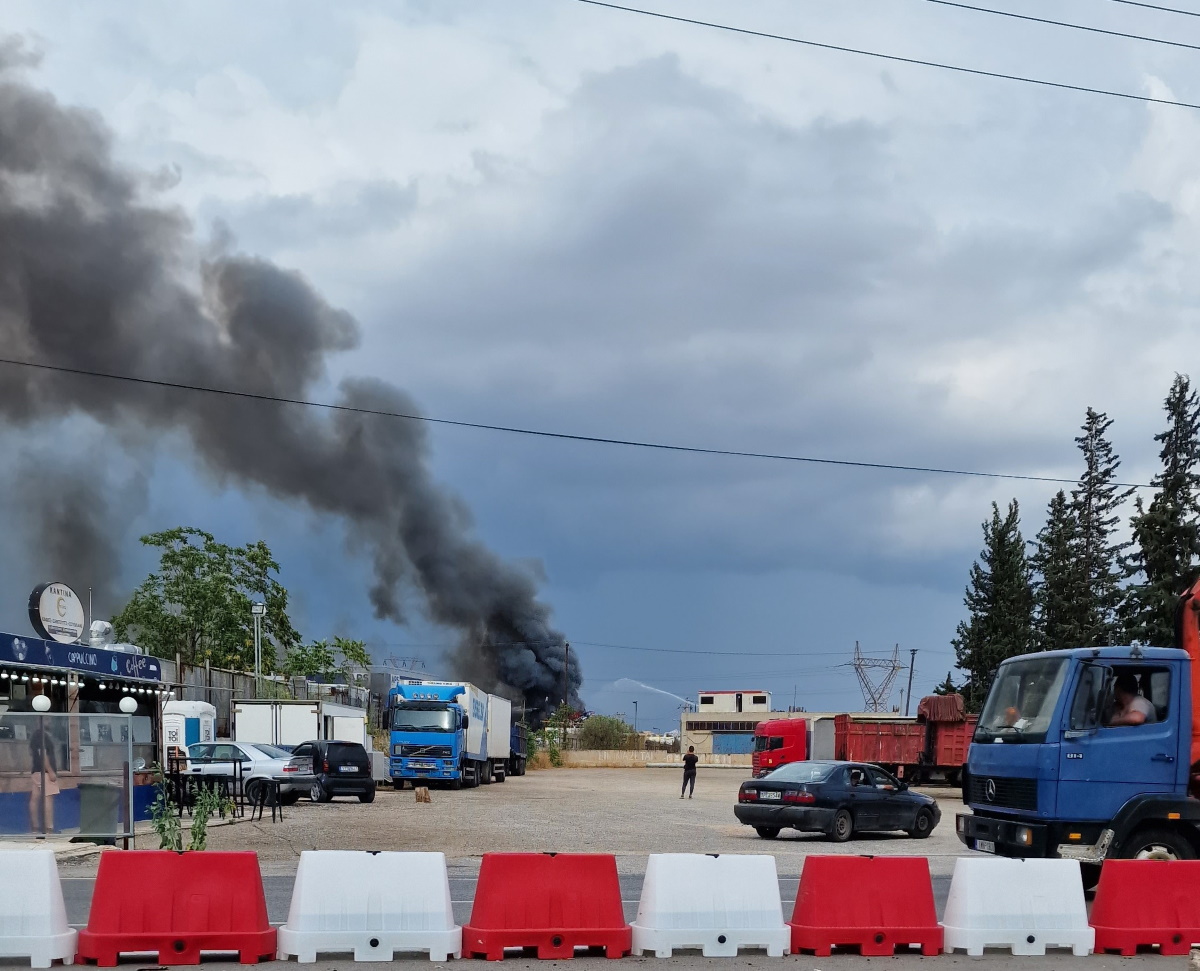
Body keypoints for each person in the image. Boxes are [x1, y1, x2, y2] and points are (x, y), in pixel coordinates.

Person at [29, 724, 59, 834]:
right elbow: (43, 754)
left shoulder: (35, 737)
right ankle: (49, 827)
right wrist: (50, 771)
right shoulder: (43, 737)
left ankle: (35, 827)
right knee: (48, 799)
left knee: (34, 799)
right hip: (45, 773)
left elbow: (33, 754)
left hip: (36, 771)